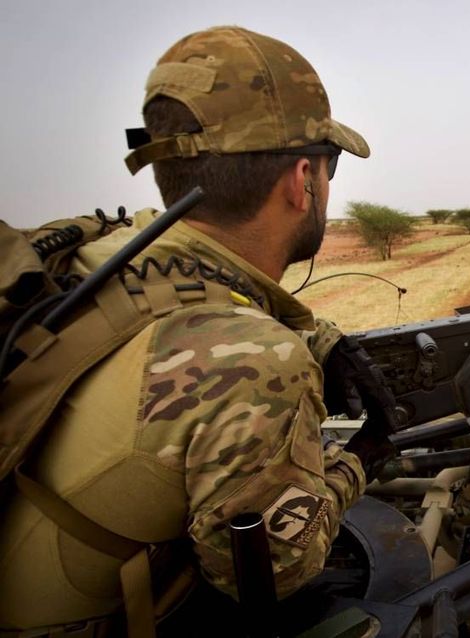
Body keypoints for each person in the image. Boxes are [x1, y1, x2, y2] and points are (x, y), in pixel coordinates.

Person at [0, 25, 395, 635]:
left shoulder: (94, 248)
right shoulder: (256, 364)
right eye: (328, 166)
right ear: (302, 180)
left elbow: (180, 290)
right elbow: (274, 573)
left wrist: (321, 338)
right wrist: (360, 462)